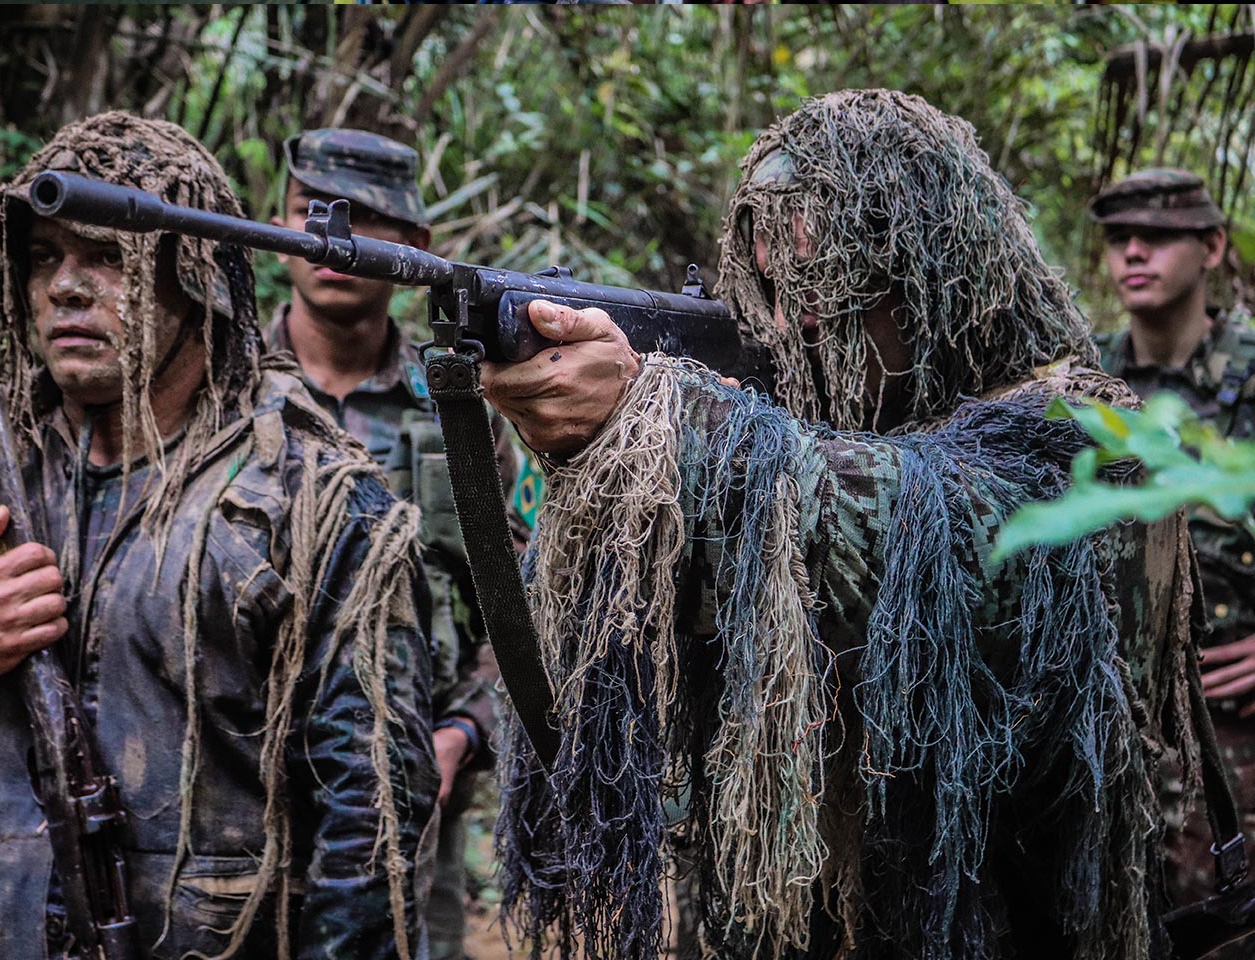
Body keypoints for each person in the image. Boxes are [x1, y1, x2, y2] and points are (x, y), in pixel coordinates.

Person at [482, 90, 1202, 960]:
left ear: (938, 269)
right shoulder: (821, 435)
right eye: (777, 297)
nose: (797, 331)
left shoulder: (1092, 429)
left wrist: (673, 417)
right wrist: (600, 449)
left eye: (830, 293)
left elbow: (962, 555)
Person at [0, 112, 437, 960]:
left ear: (199, 282)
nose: (66, 289)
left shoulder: (312, 498)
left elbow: (370, 824)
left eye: (108, 257)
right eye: (44, 257)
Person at [269, 127, 523, 960]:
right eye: (314, 210)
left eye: (366, 218)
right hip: (232, 797)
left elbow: (520, 597)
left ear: (417, 247)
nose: (333, 237)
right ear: (278, 225)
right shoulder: (221, 391)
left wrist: (462, 733)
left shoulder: (459, 409)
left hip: (414, 802)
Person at [1090, 168, 1255, 906]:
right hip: (1106, 730)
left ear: (1212, 246)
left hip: (1231, 735)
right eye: (1119, 239)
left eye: (1156, 238)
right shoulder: (1077, 381)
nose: (1133, 253)